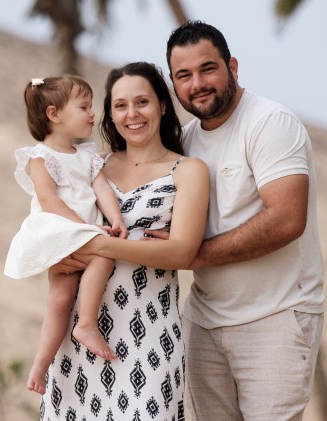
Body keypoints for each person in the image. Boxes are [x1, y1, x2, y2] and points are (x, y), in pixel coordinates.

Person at [162, 21, 325, 420]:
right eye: (184, 75)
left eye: (208, 69)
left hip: (276, 319)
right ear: (173, 82)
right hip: (203, 323)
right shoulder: (183, 142)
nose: (197, 83)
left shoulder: (270, 123)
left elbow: (287, 220)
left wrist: (192, 255)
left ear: (232, 67)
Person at [39, 62, 209, 420]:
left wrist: (100, 246)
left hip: (149, 334)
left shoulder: (188, 170)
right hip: (78, 335)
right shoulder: (91, 165)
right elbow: (52, 226)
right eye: (120, 105)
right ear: (111, 114)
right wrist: (56, 257)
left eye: (142, 102)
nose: (132, 114)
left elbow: (181, 252)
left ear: (163, 105)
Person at [3, 75, 128, 395]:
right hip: (59, 230)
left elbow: (101, 189)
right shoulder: (39, 157)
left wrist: (115, 219)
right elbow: (48, 200)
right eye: (84, 107)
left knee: (60, 300)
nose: (92, 114)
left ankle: (39, 368)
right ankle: (83, 326)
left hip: (87, 231)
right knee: (103, 254)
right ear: (54, 114)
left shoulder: (87, 154)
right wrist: (83, 227)